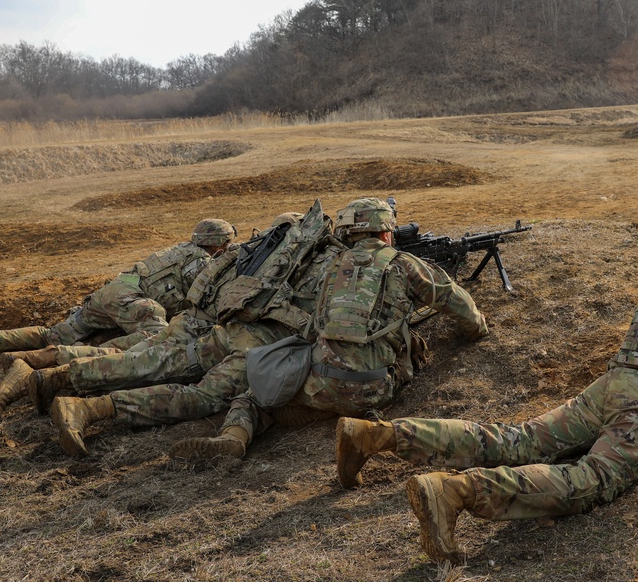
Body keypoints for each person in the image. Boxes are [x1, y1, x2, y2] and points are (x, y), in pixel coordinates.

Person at [335, 189, 638, 565]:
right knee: (591, 479)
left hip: (618, 381)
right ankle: (457, 491)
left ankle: (377, 434)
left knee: (517, 438)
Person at [167, 197, 489, 462]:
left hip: (322, 385)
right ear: (386, 233)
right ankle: (358, 419)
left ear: (348, 233)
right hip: (376, 388)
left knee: (253, 397)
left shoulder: (331, 266)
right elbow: (456, 302)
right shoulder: (403, 263)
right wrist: (477, 331)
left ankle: (233, 439)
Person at [45, 203, 340, 457]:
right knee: (202, 396)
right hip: (261, 346)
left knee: (157, 361)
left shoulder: (264, 254)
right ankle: (91, 409)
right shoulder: (331, 265)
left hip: (229, 330)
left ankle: (60, 376)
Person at [0, 218, 236, 371]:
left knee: (57, 333)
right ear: (219, 244)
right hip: (133, 299)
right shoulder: (201, 262)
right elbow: (200, 300)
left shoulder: (181, 249)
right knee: (158, 336)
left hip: (113, 290)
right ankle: (74, 358)